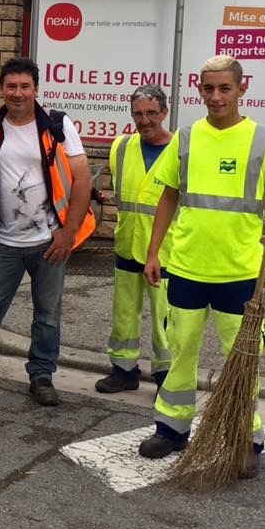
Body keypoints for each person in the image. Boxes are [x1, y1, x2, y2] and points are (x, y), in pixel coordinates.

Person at [138, 56, 265, 474]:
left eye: (224, 89)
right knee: (180, 352)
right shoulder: (188, 138)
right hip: (188, 268)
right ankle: (172, 429)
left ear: (241, 90)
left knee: (242, 359)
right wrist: (155, 252)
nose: (215, 97)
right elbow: (169, 195)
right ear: (199, 89)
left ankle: (245, 437)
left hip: (240, 272)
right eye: (208, 89)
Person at [0, 57, 95, 407]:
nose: (17, 93)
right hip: (3, 240)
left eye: (24, 86)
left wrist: (68, 233)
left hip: (49, 241)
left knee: (48, 313)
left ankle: (41, 375)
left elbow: (83, 179)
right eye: (11, 87)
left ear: (36, 90)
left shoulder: (57, 125)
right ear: (1, 89)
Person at [95, 84, 174, 394]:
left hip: (167, 251)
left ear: (164, 113)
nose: (145, 120)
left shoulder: (179, 148)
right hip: (127, 244)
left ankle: (168, 377)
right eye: (139, 114)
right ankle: (124, 369)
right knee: (124, 312)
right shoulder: (122, 147)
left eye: (152, 113)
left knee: (165, 318)